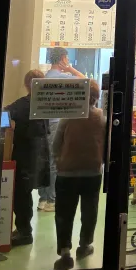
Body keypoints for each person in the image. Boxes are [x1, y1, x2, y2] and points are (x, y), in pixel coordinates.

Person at [52, 80, 108, 270]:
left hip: (66, 173)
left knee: (64, 213)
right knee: (89, 211)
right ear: (96, 97)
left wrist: (59, 160)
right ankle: (84, 246)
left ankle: (65, 252)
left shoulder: (68, 116)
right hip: (92, 172)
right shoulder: (101, 117)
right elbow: (106, 145)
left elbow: (56, 144)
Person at [5, 70, 50, 246]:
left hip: (25, 154)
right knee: (26, 192)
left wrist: (6, 127)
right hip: (41, 154)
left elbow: (4, 114)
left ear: (26, 84)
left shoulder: (24, 104)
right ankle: (24, 230)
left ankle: (24, 232)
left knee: (21, 194)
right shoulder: (46, 103)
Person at [39, 47, 87, 213]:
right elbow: (84, 81)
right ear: (62, 59)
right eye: (66, 58)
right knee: (54, 161)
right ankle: (52, 200)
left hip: (44, 122)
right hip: (55, 123)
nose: (68, 60)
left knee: (45, 159)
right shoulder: (62, 77)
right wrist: (71, 69)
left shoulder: (46, 76)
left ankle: (43, 198)